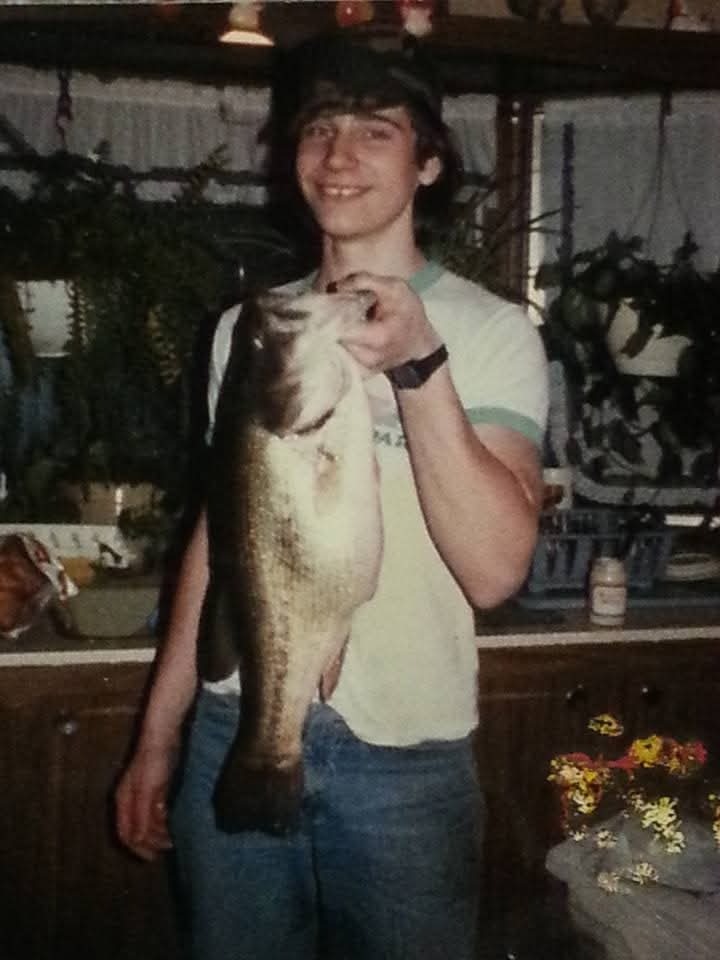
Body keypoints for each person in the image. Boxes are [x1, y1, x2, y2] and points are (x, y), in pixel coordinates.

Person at [115, 31, 548, 960]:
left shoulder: (493, 332)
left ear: (429, 162)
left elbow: (495, 572)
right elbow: (222, 537)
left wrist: (419, 366)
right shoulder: (252, 329)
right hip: (237, 720)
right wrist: (159, 733)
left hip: (405, 760)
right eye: (317, 129)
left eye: (376, 132)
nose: (339, 156)